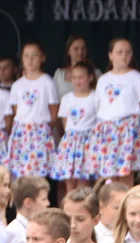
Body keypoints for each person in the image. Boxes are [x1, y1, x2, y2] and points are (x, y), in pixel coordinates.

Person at [91, 39, 140, 180]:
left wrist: (132, 127)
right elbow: (99, 106)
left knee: (126, 174)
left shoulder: (137, 78)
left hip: (127, 130)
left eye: (127, 52)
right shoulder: (103, 79)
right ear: (110, 55)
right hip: (106, 129)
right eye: (119, 52)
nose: (124, 56)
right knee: (108, 175)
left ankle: (125, 202)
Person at [7, 41, 59, 179]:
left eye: (34, 55)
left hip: (40, 132)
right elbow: (16, 110)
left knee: (37, 175)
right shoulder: (17, 85)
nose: (30, 59)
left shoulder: (47, 81)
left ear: (42, 58)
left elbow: (54, 110)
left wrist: (44, 130)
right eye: (26, 56)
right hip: (21, 133)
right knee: (20, 175)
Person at [54, 61, 100, 192]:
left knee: (83, 183)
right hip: (70, 142)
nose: (77, 81)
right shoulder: (67, 98)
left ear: (90, 77)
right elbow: (65, 122)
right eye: (74, 77)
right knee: (70, 183)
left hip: (88, 142)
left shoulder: (95, 97)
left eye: (81, 77)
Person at [53, 35, 96, 100]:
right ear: (68, 51)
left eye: (83, 48)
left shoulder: (96, 73)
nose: (80, 52)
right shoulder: (59, 74)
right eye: (76, 49)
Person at [93, 179, 129, 243]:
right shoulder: (92, 234)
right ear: (101, 207)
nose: (123, 213)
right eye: (117, 208)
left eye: (126, 208)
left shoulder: (129, 235)